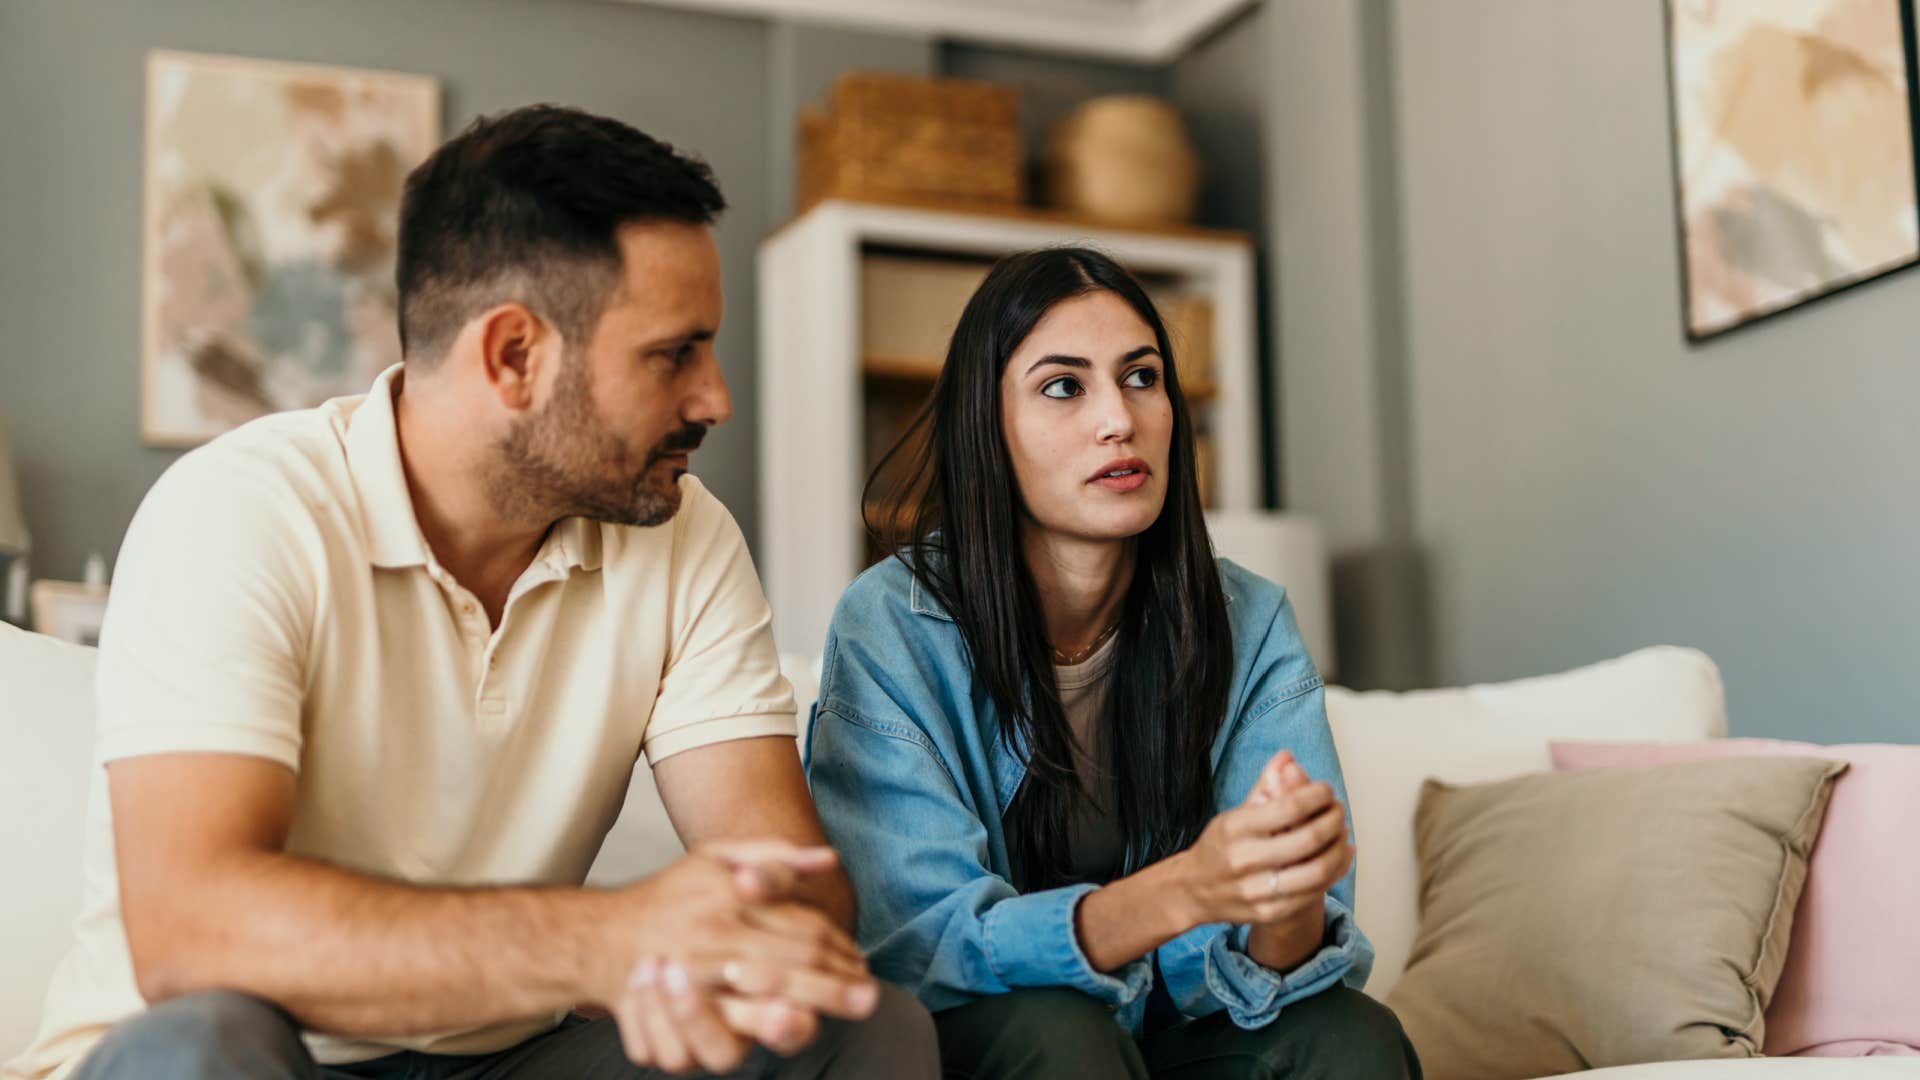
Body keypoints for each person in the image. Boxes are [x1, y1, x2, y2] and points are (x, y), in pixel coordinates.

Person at [5, 105, 937, 1080]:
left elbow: (794, 894)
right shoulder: (240, 512)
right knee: (209, 1045)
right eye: (674, 354)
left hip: (502, 1060)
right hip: (244, 1052)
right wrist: (592, 940)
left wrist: (689, 954)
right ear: (513, 356)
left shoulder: (681, 535)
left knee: (863, 1028)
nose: (715, 399)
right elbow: (193, 934)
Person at [801, 247, 1422, 1078]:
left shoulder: (1249, 620)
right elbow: (919, 943)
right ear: (988, 427)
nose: (1119, 419)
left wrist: (1286, 889)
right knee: (1060, 1035)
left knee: (1350, 1036)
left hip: (1167, 1033)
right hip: (981, 1041)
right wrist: (1184, 891)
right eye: (1065, 386)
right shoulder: (891, 624)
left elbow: (1281, 969)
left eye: (1142, 377)